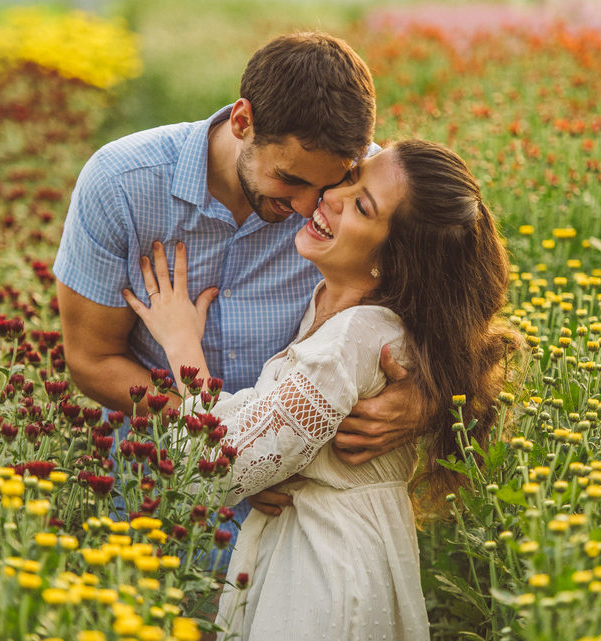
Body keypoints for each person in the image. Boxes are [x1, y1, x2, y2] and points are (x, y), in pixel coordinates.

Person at [122, 140, 523, 640]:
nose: (331, 198)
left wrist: (181, 342)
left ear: (394, 261)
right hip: (328, 548)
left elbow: (216, 468)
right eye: (351, 177)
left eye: (362, 206)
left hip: (323, 574)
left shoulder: (352, 341)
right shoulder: (332, 307)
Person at [52, 32, 424, 554]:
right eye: (289, 179)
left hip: (299, 517)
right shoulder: (120, 184)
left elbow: (455, 303)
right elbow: (91, 359)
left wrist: (426, 400)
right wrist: (243, 447)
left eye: (326, 186)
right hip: (161, 494)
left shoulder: (363, 190)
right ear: (242, 121)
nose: (306, 208)